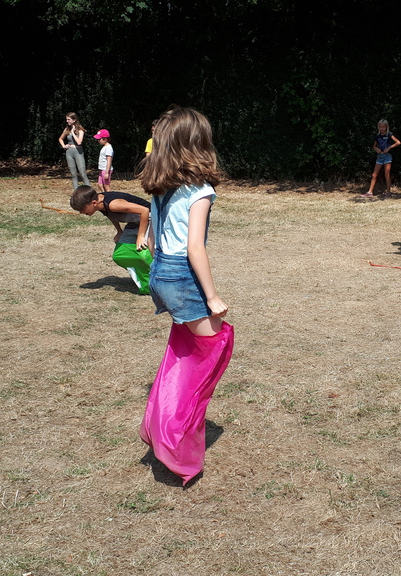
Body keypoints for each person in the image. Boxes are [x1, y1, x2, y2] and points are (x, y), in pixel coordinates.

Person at [137, 106, 233, 486]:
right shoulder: (200, 191)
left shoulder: (161, 187)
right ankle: (172, 435)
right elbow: (195, 247)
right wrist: (212, 296)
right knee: (212, 350)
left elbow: (154, 239)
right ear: (198, 144)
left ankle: (164, 421)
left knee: (187, 347)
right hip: (181, 274)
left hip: (161, 271)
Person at [69, 185, 153, 294]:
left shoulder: (114, 204)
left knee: (144, 254)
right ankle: (146, 277)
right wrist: (119, 231)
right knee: (119, 255)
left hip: (150, 219)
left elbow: (145, 210)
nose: (81, 213)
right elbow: (109, 214)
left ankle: (162, 277)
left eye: (82, 209)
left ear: (93, 203)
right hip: (133, 223)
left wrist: (140, 236)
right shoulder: (99, 204)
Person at [363, 119, 401, 197]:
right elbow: (374, 146)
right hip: (380, 156)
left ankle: (388, 192)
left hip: (387, 156)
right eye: (380, 127)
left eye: (383, 127)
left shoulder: (389, 134)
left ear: (386, 127)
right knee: (374, 175)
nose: (382, 128)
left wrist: (389, 148)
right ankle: (370, 192)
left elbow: (398, 142)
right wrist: (376, 149)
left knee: (387, 174)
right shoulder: (378, 136)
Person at [58, 112, 90, 190]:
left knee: (82, 173)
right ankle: (76, 192)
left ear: (74, 120)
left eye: (69, 119)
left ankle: (89, 191)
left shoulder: (80, 130)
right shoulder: (67, 130)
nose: (67, 121)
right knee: (73, 174)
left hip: (78, 152)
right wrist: (64, 146)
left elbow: (79, 142)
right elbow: (60, 139)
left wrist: (73, 133)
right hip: (69, 152)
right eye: (66, 119)